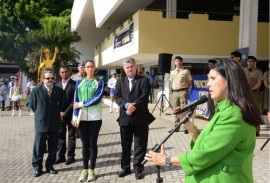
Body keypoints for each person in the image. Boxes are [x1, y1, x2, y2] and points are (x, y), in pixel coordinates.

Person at [145, 58, 262, 183]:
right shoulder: (225, 109)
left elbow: (205, 154)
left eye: (212, 78)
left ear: (229, 80)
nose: (208, 84)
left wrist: (167, 159)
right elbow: (211, 144)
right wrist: (189, 125)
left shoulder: (234, 114)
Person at [114, 58, 155, 180]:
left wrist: (133, 106)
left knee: (140, 145)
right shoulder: (120, 81)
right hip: (125, 118)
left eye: (131, 66)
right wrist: (126, 105)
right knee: (125, 145)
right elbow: (117, 96)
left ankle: (138, 168)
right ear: (124, 69)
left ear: (136, 67)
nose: (129, 69)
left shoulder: (144, 80)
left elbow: (144, 97)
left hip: (140, 119)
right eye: (127, 67)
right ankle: (125, 168)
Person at [72, 60, 104, 182]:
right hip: (82, 118)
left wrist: (81, 104)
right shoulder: (79, 83)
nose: (90, 69)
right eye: (87, 67)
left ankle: (92, 170)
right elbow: (75, 101)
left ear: (95, 68)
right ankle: (84, 169)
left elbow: (96, 99)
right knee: (84, 145)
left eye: (92, 66)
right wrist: (75, 117)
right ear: (84, 69)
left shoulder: (99, 82)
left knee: (92, 144)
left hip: (95, 118)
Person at [30, 69, 65, 177]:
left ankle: (50, 166)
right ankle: (37, 167)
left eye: (52, 78)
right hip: (41, 122)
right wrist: (41, 114)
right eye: (47, 78)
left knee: (53, 147)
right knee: (39, 146)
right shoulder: (36, 90)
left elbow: (62, 105)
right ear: (43, 79)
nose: (50, 80)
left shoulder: (59, 90)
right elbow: (33, 105)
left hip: (54, 123)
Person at [54, 66, 77, 165]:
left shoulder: (75, 85)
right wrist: (59, 112)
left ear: (69, 72)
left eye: (66, 72)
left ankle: (71, 156)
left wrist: (65, 112)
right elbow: (54, 101)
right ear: (59, 73)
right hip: (59, 116)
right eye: (62, 72)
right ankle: (61, 156)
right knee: (60, 136)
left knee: (71, 136)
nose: (64, 73)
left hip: (71, 114)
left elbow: (74, 100)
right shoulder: (57, 85)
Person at [170, 56, 192, 133]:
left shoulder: (186, 71)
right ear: (174, 62)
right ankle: (176, 127)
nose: (178, 62)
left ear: (182, 62)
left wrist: (186, 90)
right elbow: (172, 81)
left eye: (179, 61)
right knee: (176, 109)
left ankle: (186, 127)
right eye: (176, 61)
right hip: (175, 92)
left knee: (184, 109)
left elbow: (190, 82)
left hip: (183, 91)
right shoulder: (172, 72)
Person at [244, 56, 263, 136]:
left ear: (255, 62)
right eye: (248, 61)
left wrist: (250, 90)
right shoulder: (243, 70)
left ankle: (256, 130)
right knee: (245, 111)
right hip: (244, 94)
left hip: (254, 94)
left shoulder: (258, 72)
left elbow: (259, 84)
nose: (249, 63)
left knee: (255, 112)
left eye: (251, 61)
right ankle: (245, 130)